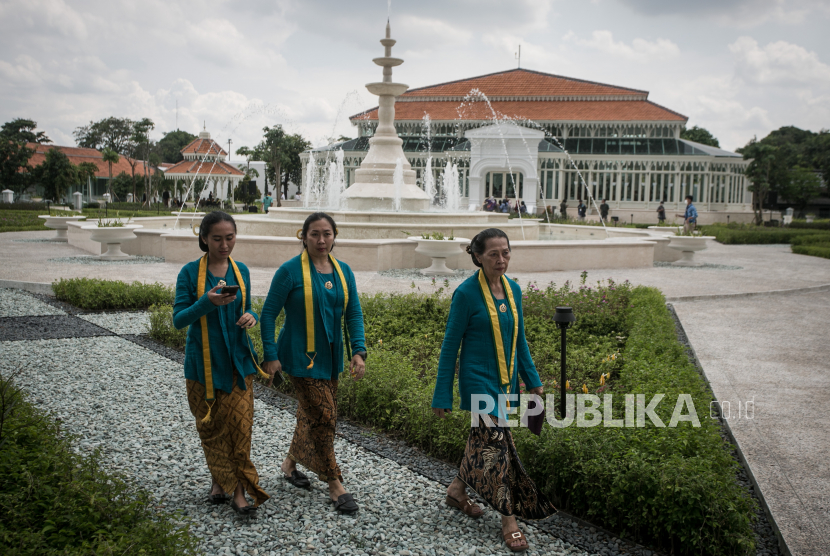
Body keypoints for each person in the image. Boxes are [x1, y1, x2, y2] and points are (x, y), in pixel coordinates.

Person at [432, 229, 556, 553]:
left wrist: (533, 381)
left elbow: (520, 340)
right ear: (477, 256)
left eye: (505, 253)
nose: (501, 260)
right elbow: (450, 347)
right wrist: (441, 395)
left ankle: (457, 490)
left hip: (505, 381)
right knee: (498, 447)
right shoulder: (465, 294)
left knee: (483, 442)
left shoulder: (513, 289)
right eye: (493, 255)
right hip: (477, 382)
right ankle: (508, 519)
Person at [260, 212, 367, 514]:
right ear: (303, 237)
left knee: (311, 414)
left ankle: (289, 463)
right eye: (315, 234)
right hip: (298, 358)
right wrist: (270, 355)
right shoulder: (290, 271)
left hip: (331, 358)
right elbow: (268, 314)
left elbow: (354, 313)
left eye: (327, 234)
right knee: (325, 416)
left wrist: (358, 352)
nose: (321, 240)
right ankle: (335, 483)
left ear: (335, 236)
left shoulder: (343, 271)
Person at [172, 211, 270, 516]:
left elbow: (248, 306)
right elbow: (178, 320)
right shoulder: (189, 274)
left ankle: (239, 492)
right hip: (203, 367)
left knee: (240, 428)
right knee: (212, 427)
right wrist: (206, 302)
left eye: (230, 237)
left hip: (238, 364)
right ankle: (219, 478)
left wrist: (251, 316)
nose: (225, 244)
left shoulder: (241, 271)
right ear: (203, 239)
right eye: (217, 238)